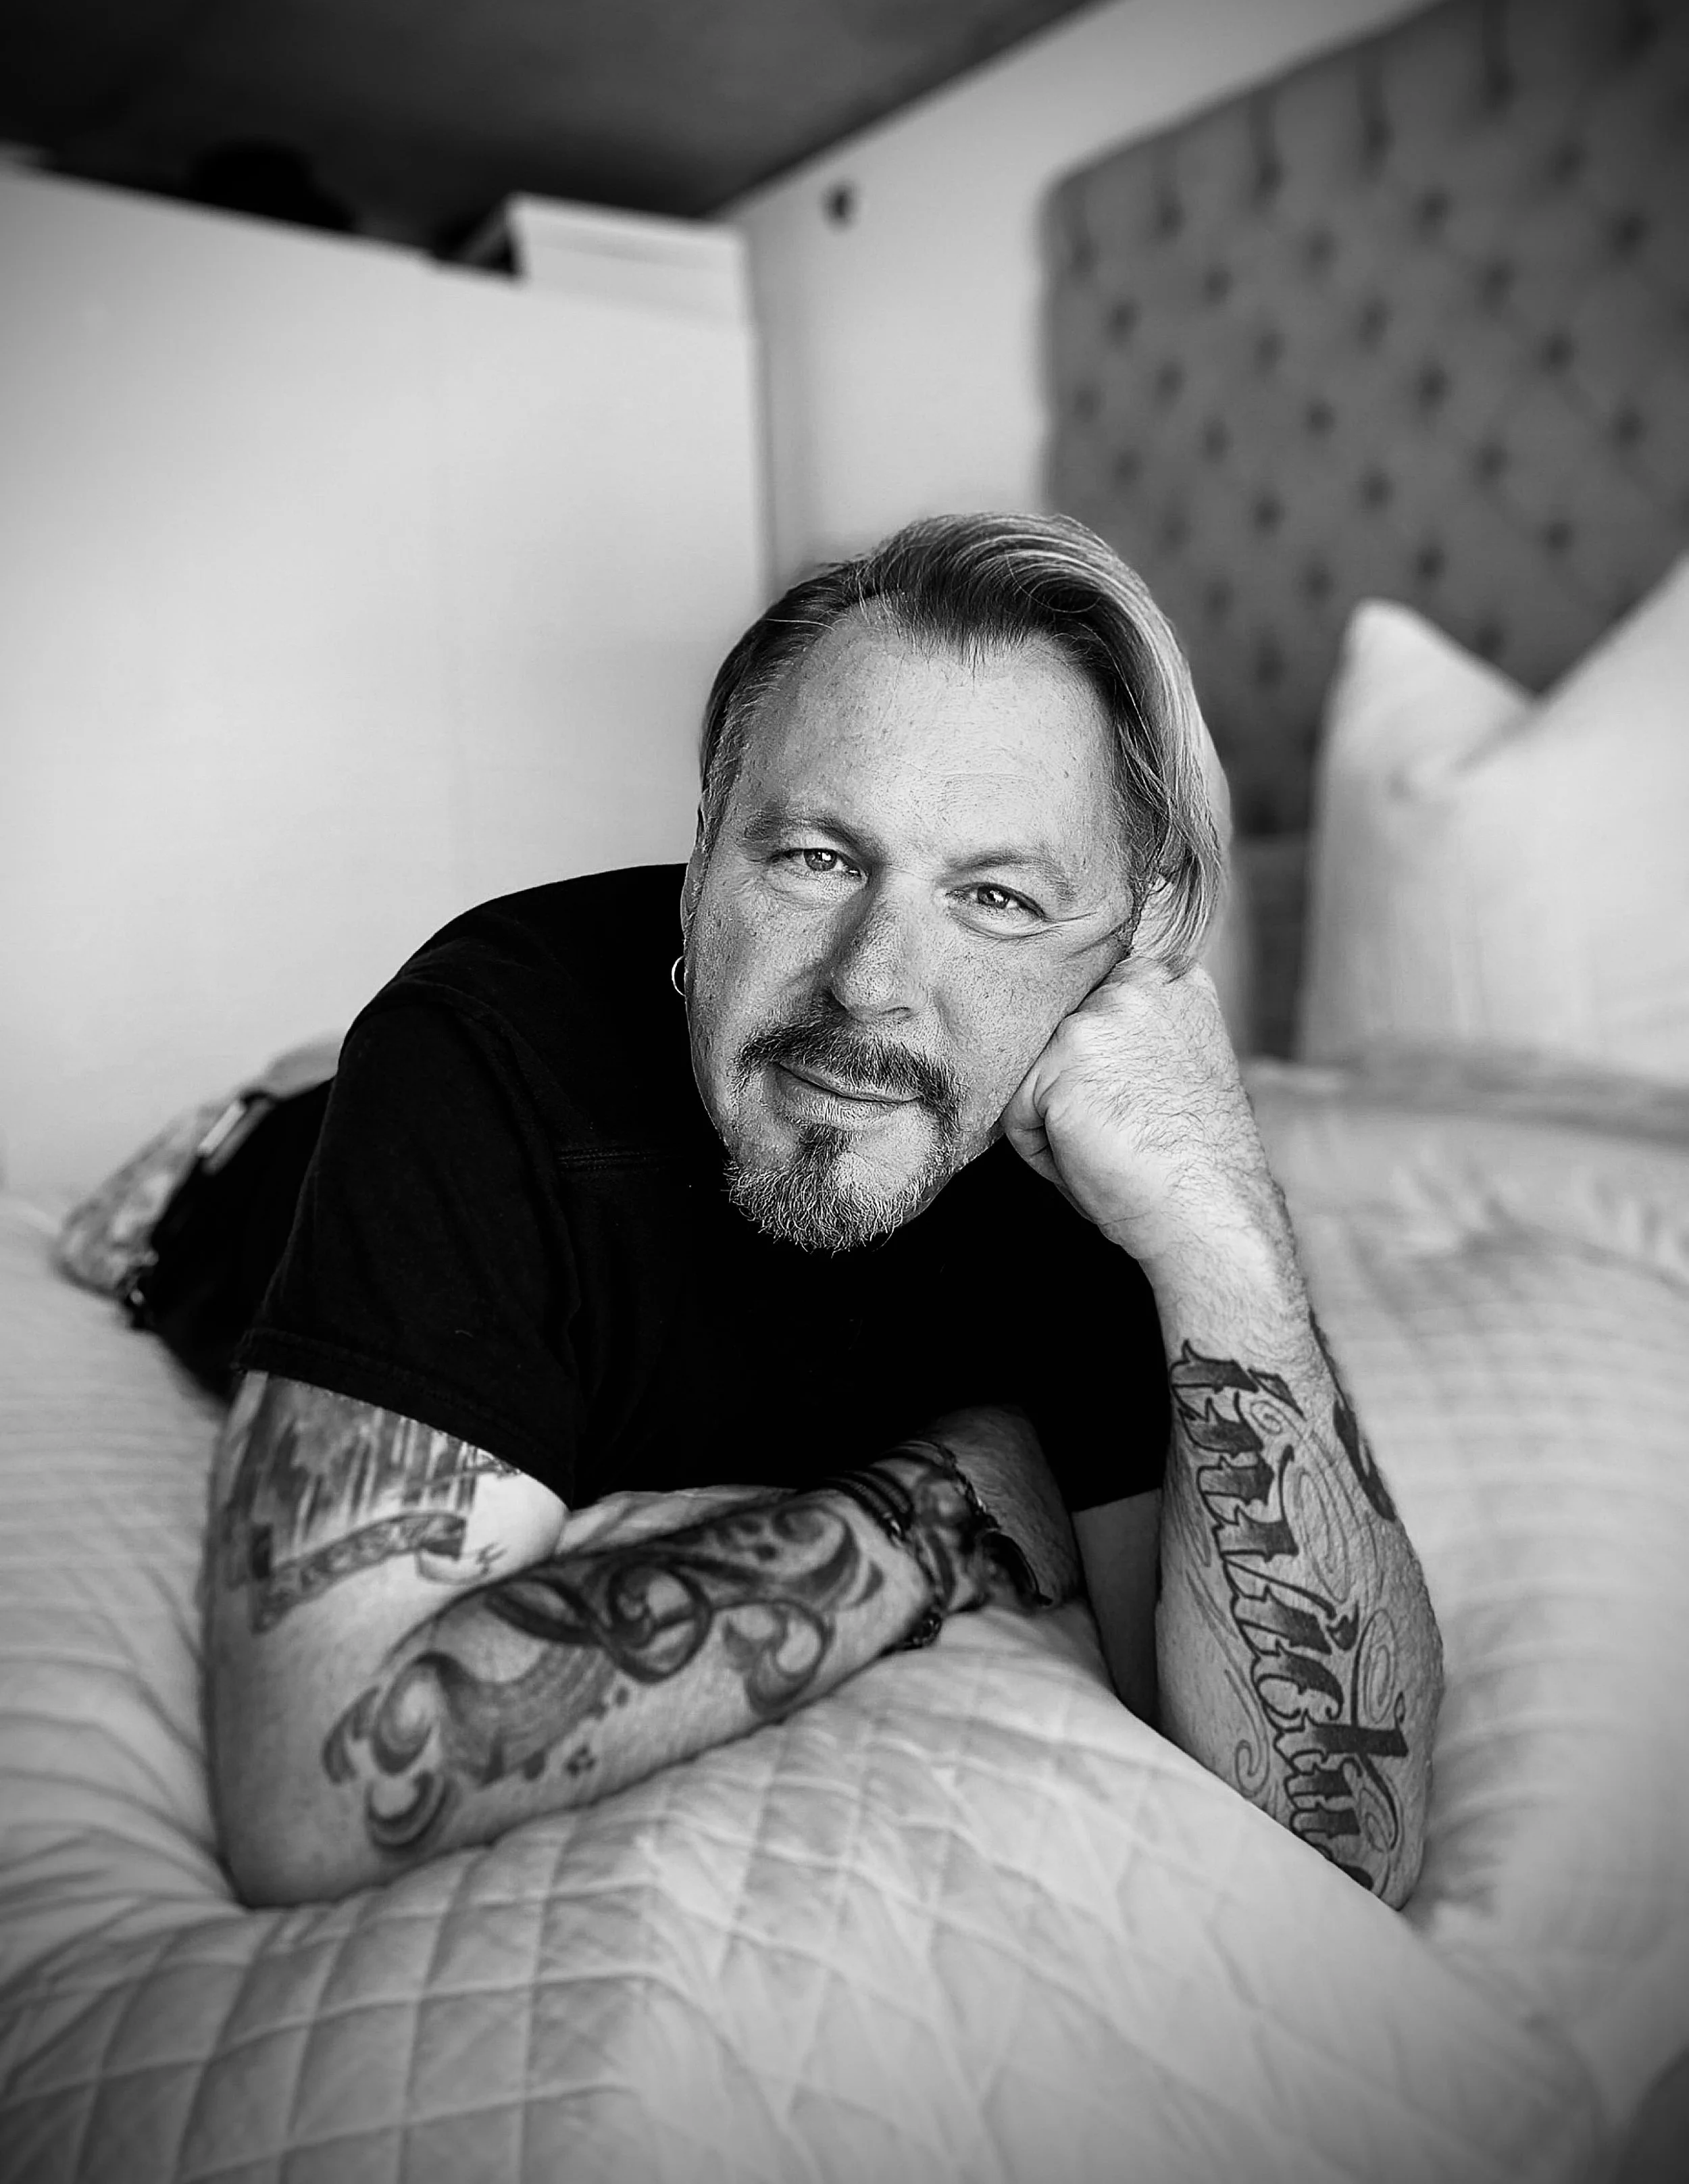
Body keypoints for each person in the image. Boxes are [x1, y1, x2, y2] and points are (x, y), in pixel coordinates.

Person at [204, 513, 1442, 1910]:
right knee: (263, 1146)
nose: (869, 985)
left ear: (1122, 954)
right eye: (815, 859)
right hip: (254, 1194)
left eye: (995, 895)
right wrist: (942, 1506)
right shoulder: (485, 1040)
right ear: (697, 861)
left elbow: (1354, 1836)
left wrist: (1221, 1229)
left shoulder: (1090, 1164)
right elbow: (308, 1797)